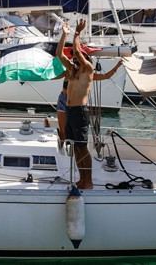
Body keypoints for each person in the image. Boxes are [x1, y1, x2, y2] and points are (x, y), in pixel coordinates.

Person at [57, 19, 122, 189]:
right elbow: (60, 54)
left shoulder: (88, 70)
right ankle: (82, 178)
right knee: (76, 148)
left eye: (77, 59)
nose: (74, 60)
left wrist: (77, 33)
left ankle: (89, 181)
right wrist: (64, 35)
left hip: (80, 111)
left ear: (85, 60)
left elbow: (78, 52)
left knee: (83, 148)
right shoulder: (72, 71)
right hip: (70, 111)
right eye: (74, 59)